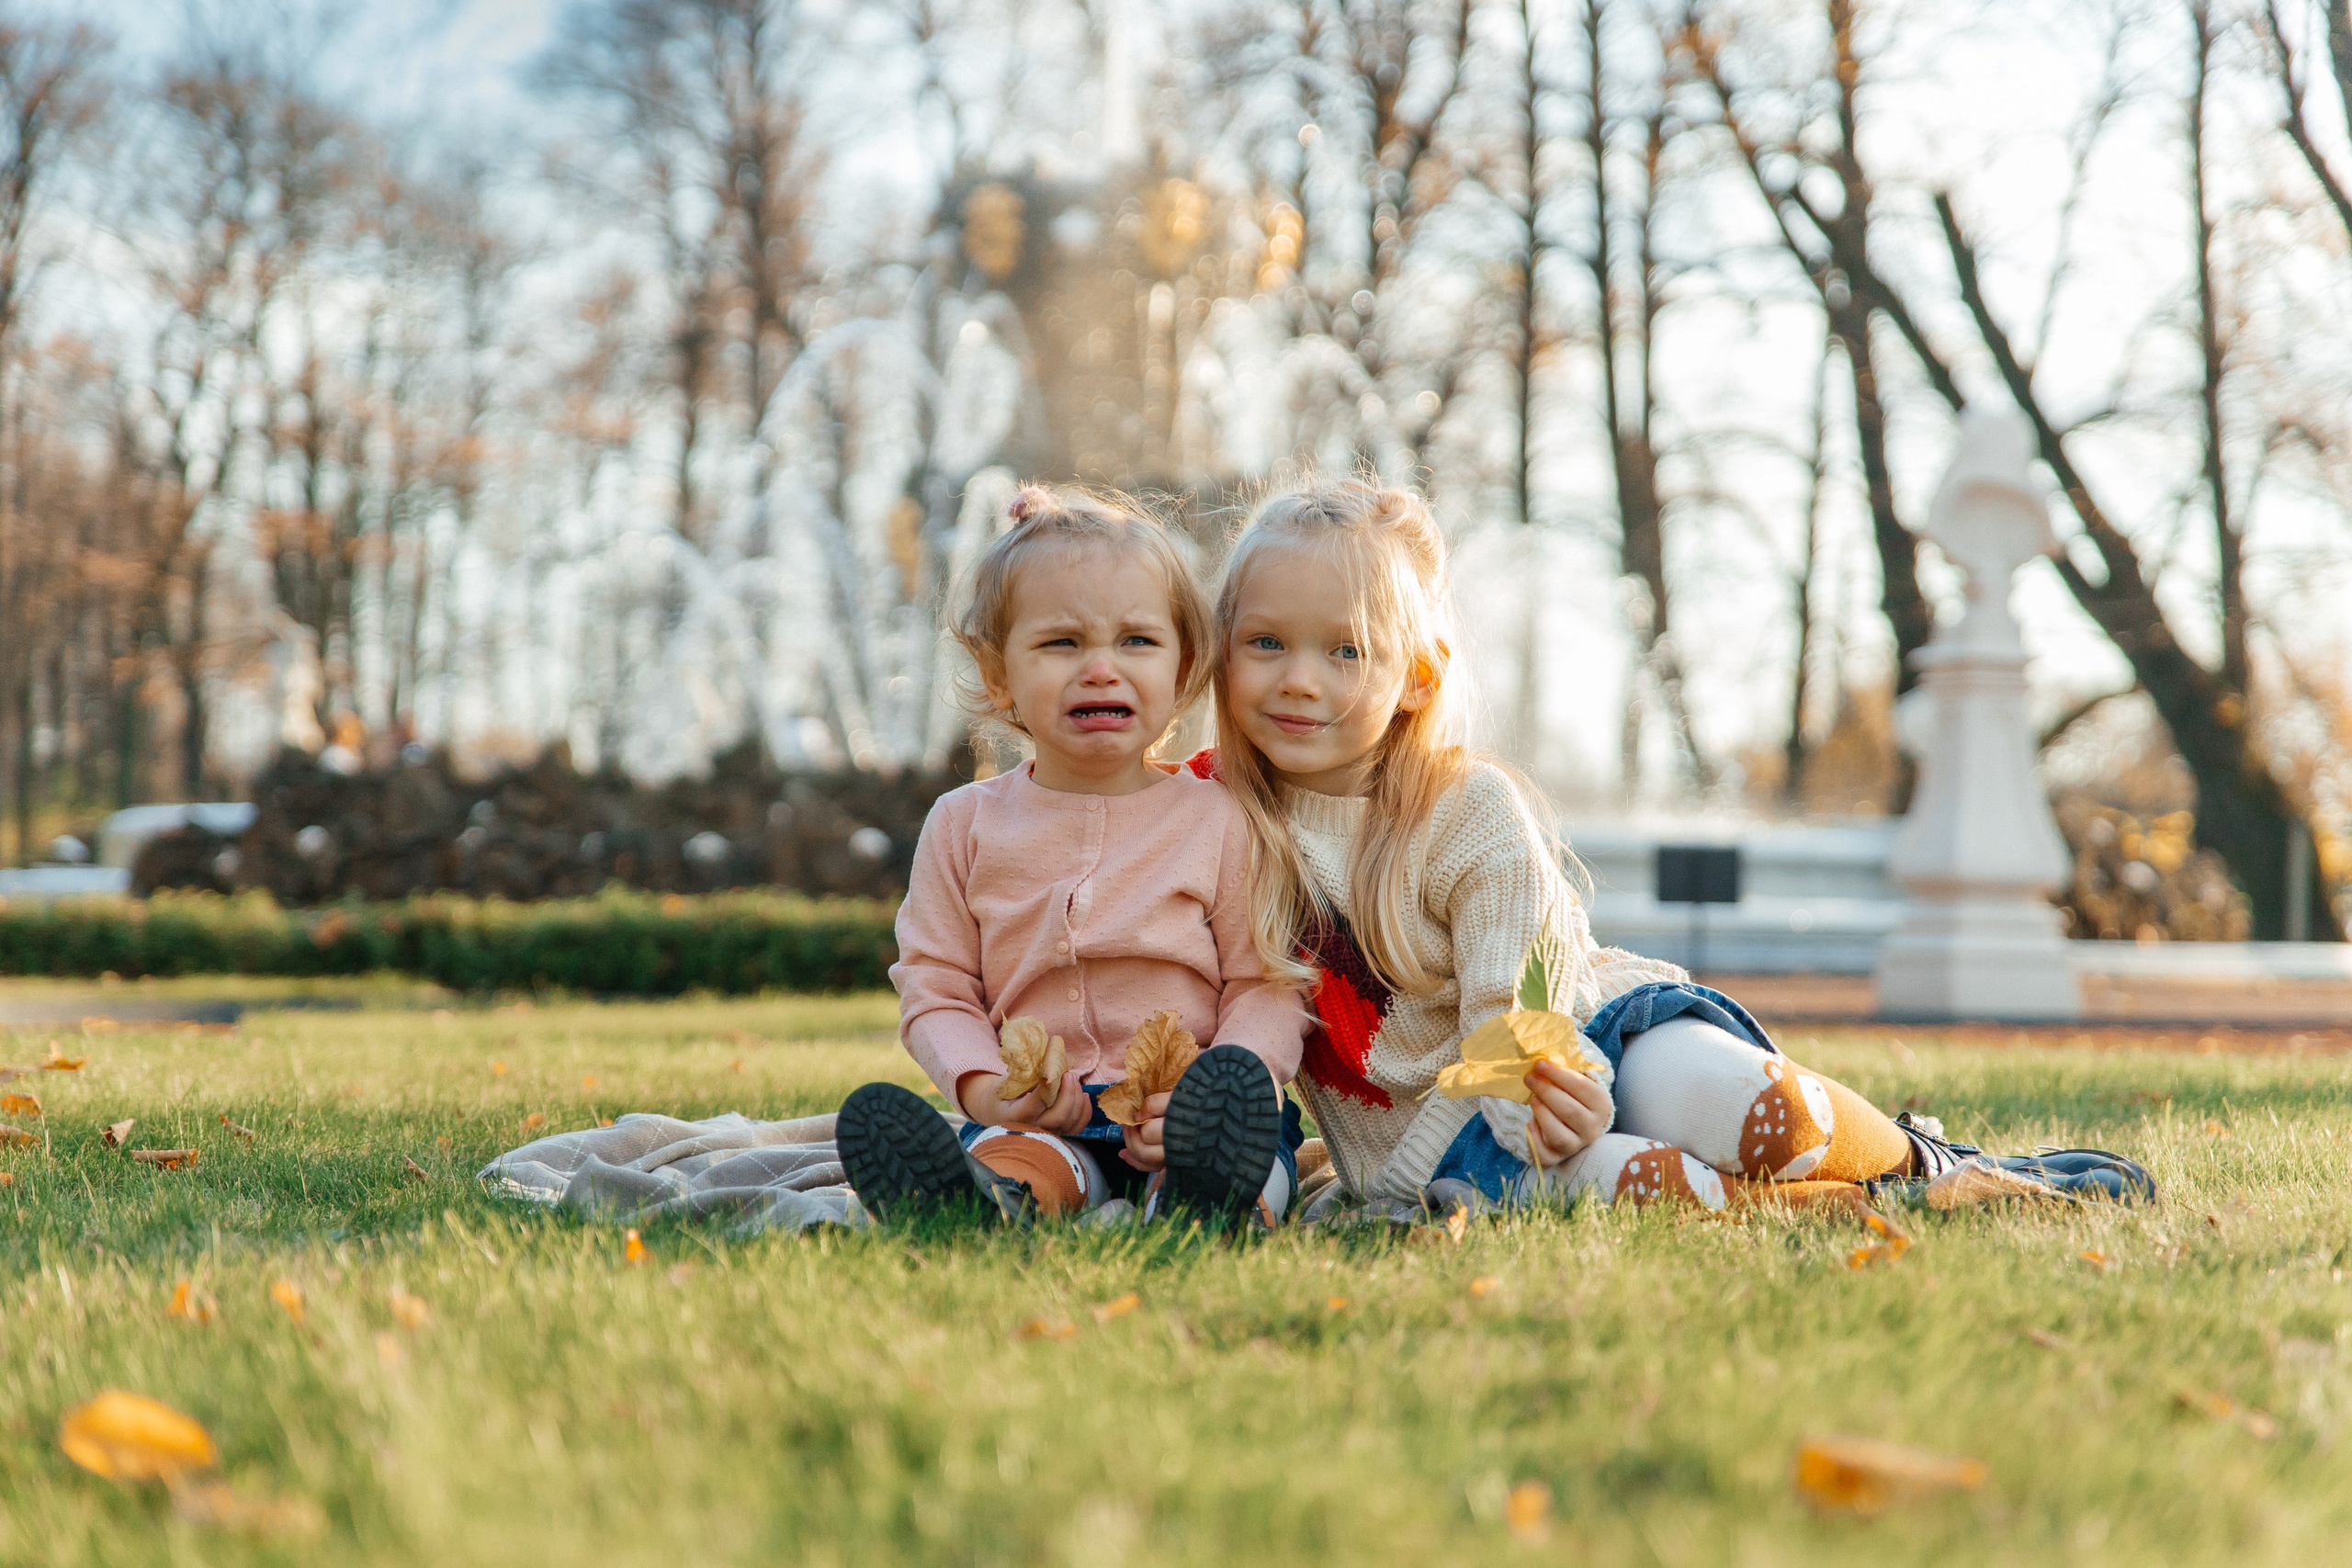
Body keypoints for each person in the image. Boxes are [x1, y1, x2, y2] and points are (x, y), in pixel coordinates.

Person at [1205, 476, 2153, 1219]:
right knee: (1649, 1192)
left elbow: (1518, 1006)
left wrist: (1545, 1093)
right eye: (1265, 643)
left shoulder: (1462, 810)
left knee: (1764, 1119)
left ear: (1415, 677)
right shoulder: (1211, 823)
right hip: (1449, 1160)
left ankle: (1923, 1159)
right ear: (1219, 651)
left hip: (1583, 1045)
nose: (1298, 681)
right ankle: (1871, 1209)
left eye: (1345, 651)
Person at [836, 485, 1307, 1226]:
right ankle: (991, 1202)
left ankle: (1207, 1199)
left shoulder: (1221, 819)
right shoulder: (964, 825)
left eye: (1136, 641)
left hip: (1190, 1108)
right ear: (999, 676)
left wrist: (1222, 1080)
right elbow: (937, 985)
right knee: (1022, 1157)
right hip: (1041, 1111)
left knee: (1248, 1158)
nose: (1100, 668)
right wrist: (987, 1085)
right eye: (1062, 643)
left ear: (1184, 670)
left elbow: (1267, 983)